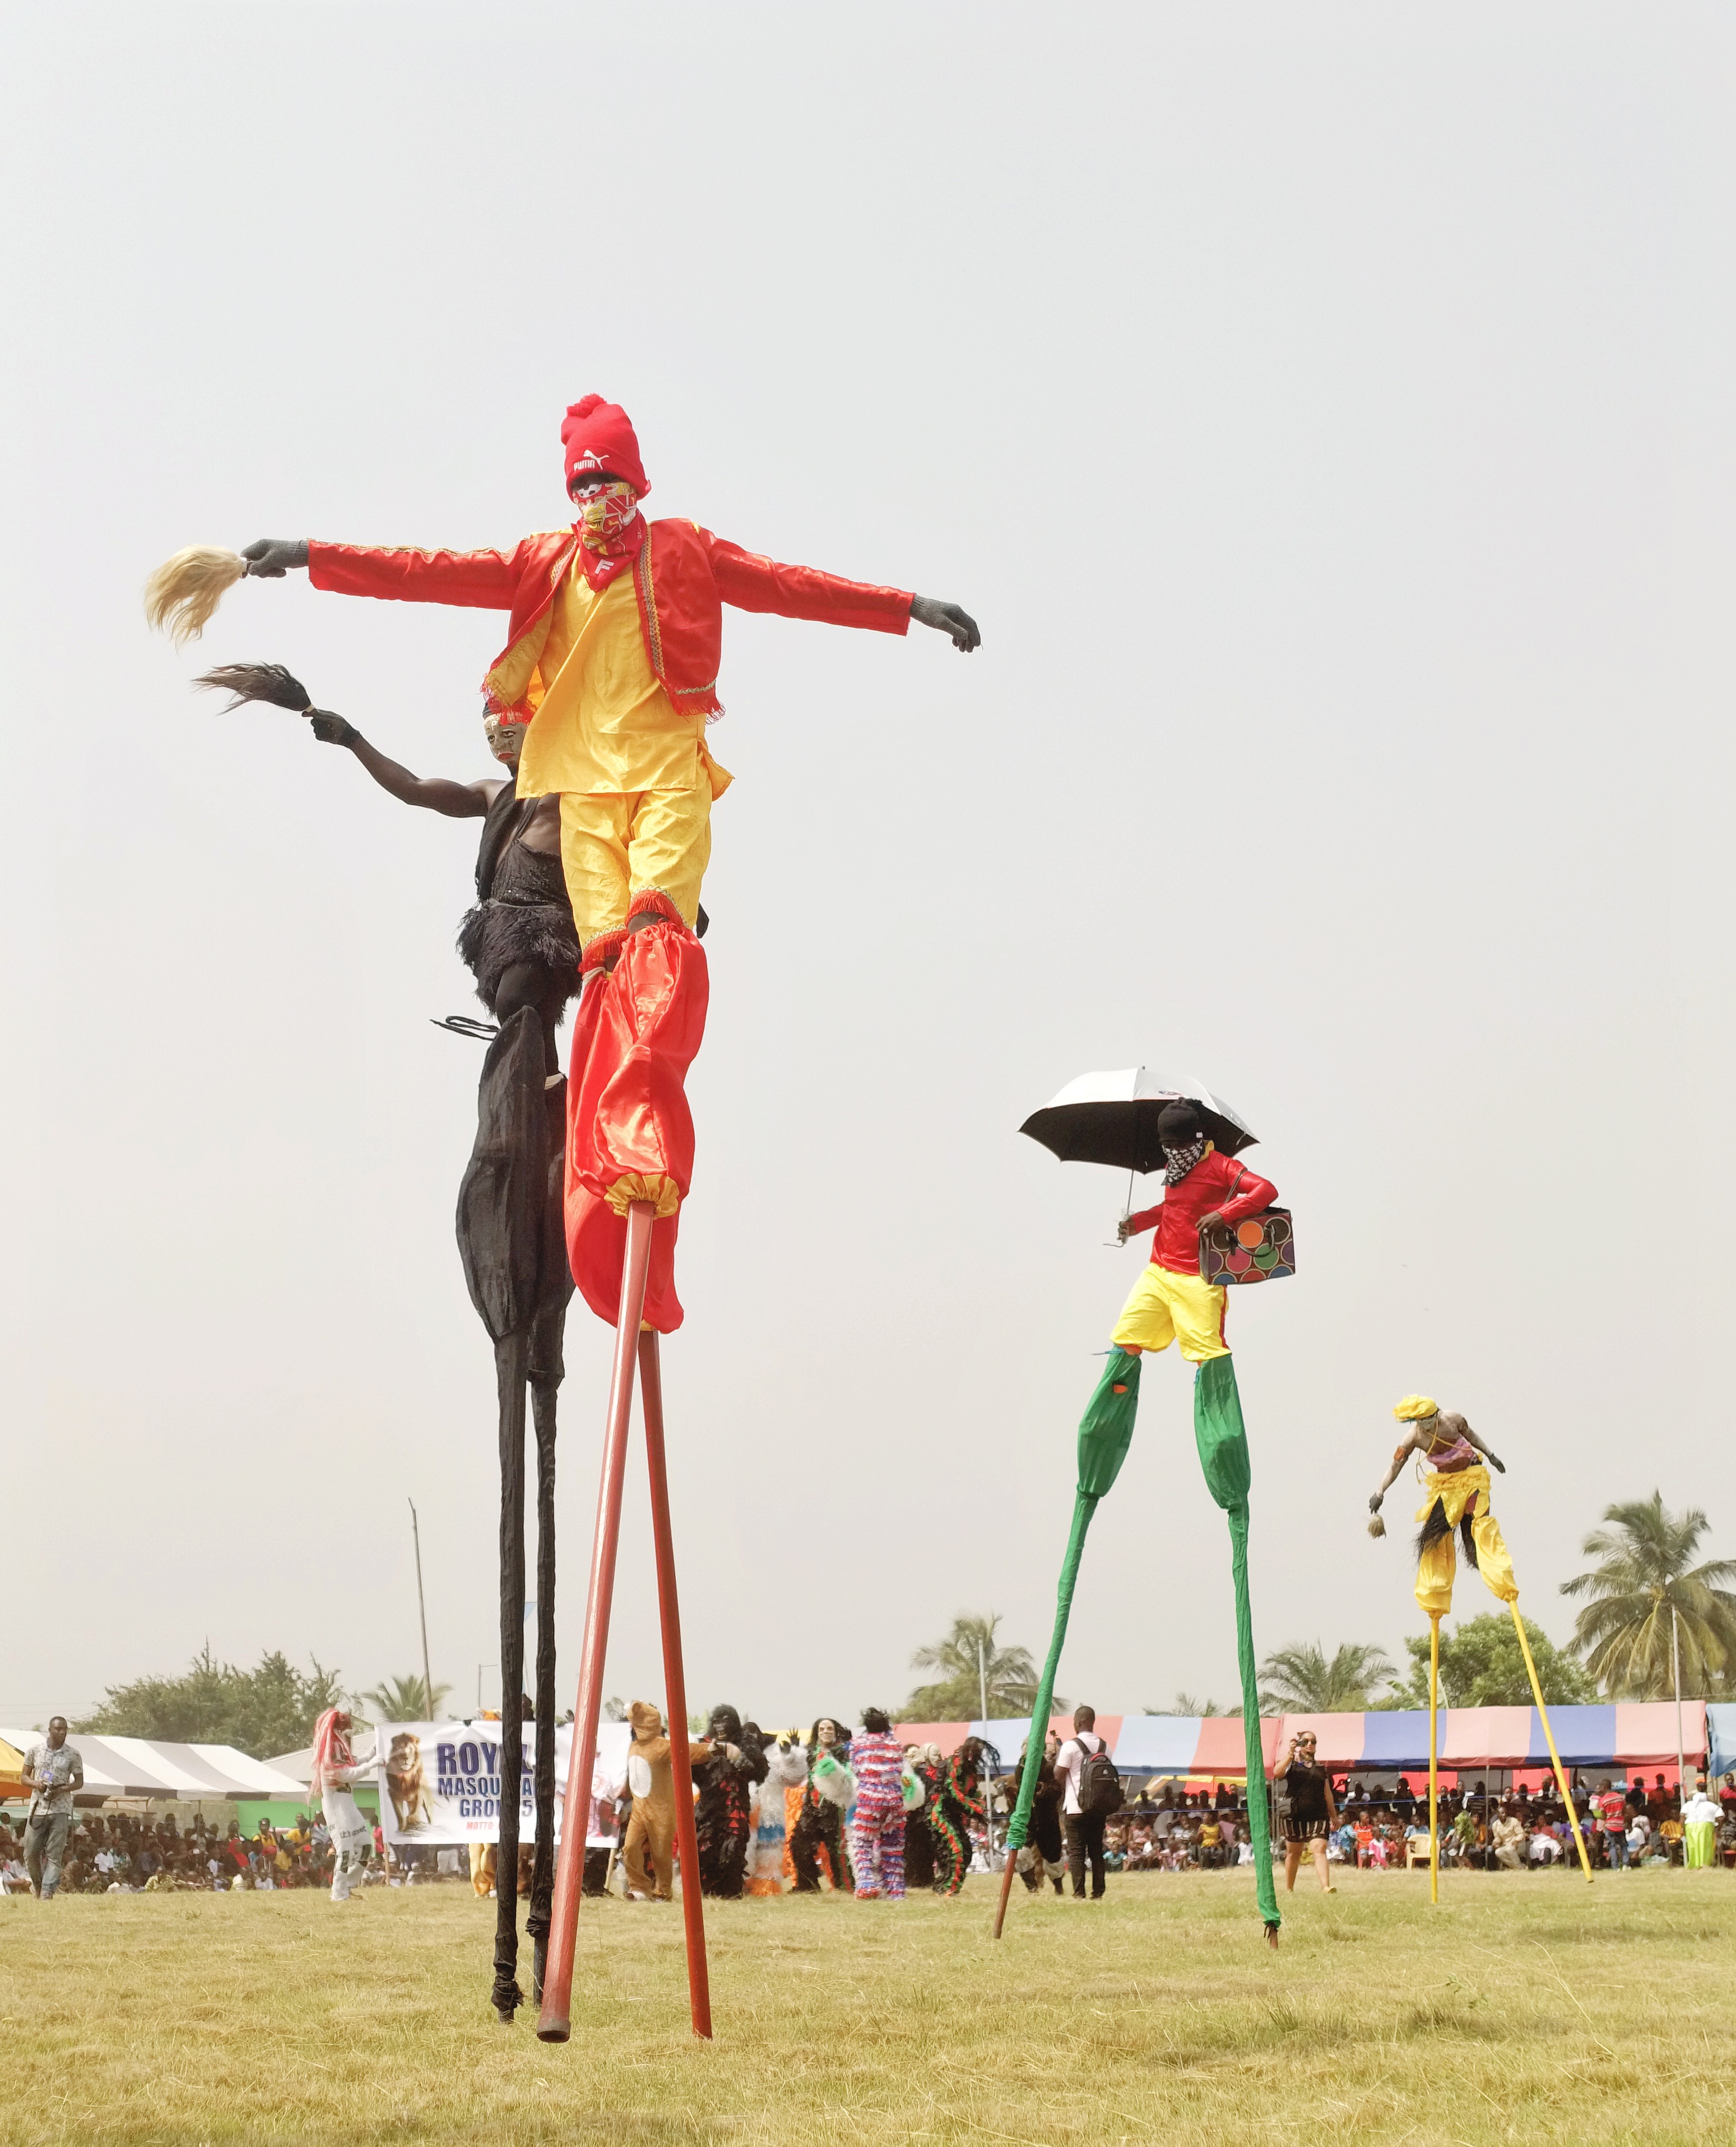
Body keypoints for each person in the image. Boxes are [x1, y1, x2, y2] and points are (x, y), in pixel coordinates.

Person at [236, 395, 979, 958]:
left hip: (661, 771)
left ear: (636, 482)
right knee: (598, 962)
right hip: (580, 782)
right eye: (583, 488)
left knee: (659, 924)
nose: (597, 499)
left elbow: (789, 585)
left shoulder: (685, 550)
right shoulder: (541, 562)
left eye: (609, 481)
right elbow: (420, 571)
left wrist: (908, 606)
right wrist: (308, 554)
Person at [198, 670, 597, 1076]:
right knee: (526, 1013)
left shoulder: (573, 790)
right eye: (491, 732)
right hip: (503, 929)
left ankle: (544, 1087)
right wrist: (353, 739)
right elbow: (414, 788)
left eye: (509, 726)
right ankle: (549, 1095)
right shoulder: (491, 793)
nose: (498, 739)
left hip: (545, 923)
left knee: (519, 1001)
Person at [1368, 1396, 1514, 1619]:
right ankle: (1434, 1591)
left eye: (1430, 1418)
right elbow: (1395, 1464)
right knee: (1432, 1536)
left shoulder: (1453, 1418)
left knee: (1480, 1526)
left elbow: (1471, 1434)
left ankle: (1496, 1572)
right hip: (1445, 1486)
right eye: (1422, 1421)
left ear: (1436, 1413)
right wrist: (1380, 1492)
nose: (1427, 1424)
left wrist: (1492, 1455)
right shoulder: (1413, 1437)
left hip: (1472, 1477)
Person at [620, 1700, 711, 1903]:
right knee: (630, 1847)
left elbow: (686, 1751)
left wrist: (711, 1750)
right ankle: (639, 1888)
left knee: (661, 1854)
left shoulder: (662, 1746)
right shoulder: (633, 1747)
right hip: (639, 1809)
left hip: (662, 1810)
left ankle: (663, 1892)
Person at [693, 1705, 767, 1899]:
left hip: (736, 1806)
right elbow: (691, 1773)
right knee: (705, 1848)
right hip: (708, 1808)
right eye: (717, 1721)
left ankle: (730, 1892)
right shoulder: (704, 1745)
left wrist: (743, 1763)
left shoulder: (746, 1743)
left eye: (725, 1721)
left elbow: (761, 1773)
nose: (721, 1726)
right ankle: (708, 1890)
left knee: (733, 1849)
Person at [310, 1708, 374, 1902]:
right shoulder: (330, 1749)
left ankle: (348, 1885)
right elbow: (344, 1774)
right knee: (345, 1851)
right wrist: (372, 1765)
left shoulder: (340, 1746)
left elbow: (352, 1764)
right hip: (337, 1807)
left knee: (365, 1846)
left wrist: (372, 1753)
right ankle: (338, 1894)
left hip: (348, 1804)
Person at [1055, 1705, 1114, 1902]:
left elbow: (1058, 1774)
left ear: (1079, 1723)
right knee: (1097, 1850)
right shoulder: (1106, 1747)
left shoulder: (1071, 1746)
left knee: (1077, 1852)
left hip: (1075, 1807)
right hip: (1098, 1807)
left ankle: (1079, 1892)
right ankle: (1098, 1892)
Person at [847, 1708, 907, 1902]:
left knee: (862, 1843)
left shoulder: (857, 1744)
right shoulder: (895, 1744)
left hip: (869, 1801)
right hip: (895, 1801)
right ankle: (895, 1891)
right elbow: (900, 1769)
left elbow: (856, 1769)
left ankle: (867, 1885)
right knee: (892, 1846)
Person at [790, 1718, 854, 1893]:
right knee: (798, 1844)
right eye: (822, 1729)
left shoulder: (843, 1752)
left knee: (838, 1850)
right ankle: (807, 1886)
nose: (826, 1732)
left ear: (835, 1731)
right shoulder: (811, 1753)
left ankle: (845, 1886)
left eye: (830, 1729)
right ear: (817, 1733)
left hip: (835, 1808)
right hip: (812, 1808)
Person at [23, 1720, 84, 1899]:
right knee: (30, 1853)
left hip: (61, 1809)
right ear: (49, 1730)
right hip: (37, 1809)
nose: (62, 1732)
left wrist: (62, 1789)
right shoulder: (34, 1751)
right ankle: (38, 1885)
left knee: (54, 1854)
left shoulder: (73, 1754)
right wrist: (37, 1784)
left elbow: (79, 1782)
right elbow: (24, 1777)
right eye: (58, 1729)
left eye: (64, 1729)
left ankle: (47, 1892)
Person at [1274, 1730, 1336, 1895]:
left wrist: (1334, 1815)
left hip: (1318, 1814)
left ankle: (1325, 1887)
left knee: (1319, 1848)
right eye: (1306, 1742)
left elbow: (1327, 1793)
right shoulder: (1292, 1765)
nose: (1310, 1745)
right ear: (1300, 1745)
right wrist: (1290, 1753)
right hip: (1295, 1815)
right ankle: (1289, 1889)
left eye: (1313, 1742)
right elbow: (1277, 1772)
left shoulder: (1321, 1769)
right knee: (1294, 1853)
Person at [930, 1739, 988, 1897]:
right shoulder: (954, 1763)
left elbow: (972, 1793)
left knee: (967, 1851)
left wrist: (979, 1803)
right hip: (942, 1814)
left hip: (955, 1816)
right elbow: (954, 1792)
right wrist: (975, 1807)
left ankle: (946, 1887)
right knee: (957, 1851)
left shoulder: (971, 1771)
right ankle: (948, 1888)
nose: (973, 1756)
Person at [1682, 1783, 1720, 1870]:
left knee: (1693, 1845)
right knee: (1706, 1845)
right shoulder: (1712, 1805)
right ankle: (1705, 1864)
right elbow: (1721, 1816)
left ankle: (1694, 1864)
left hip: (1690, 1825)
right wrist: (1718, 1827)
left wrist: (1682, 1829)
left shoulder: (1688, 1805)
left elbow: (1682, 1816)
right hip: (1706, 1825)